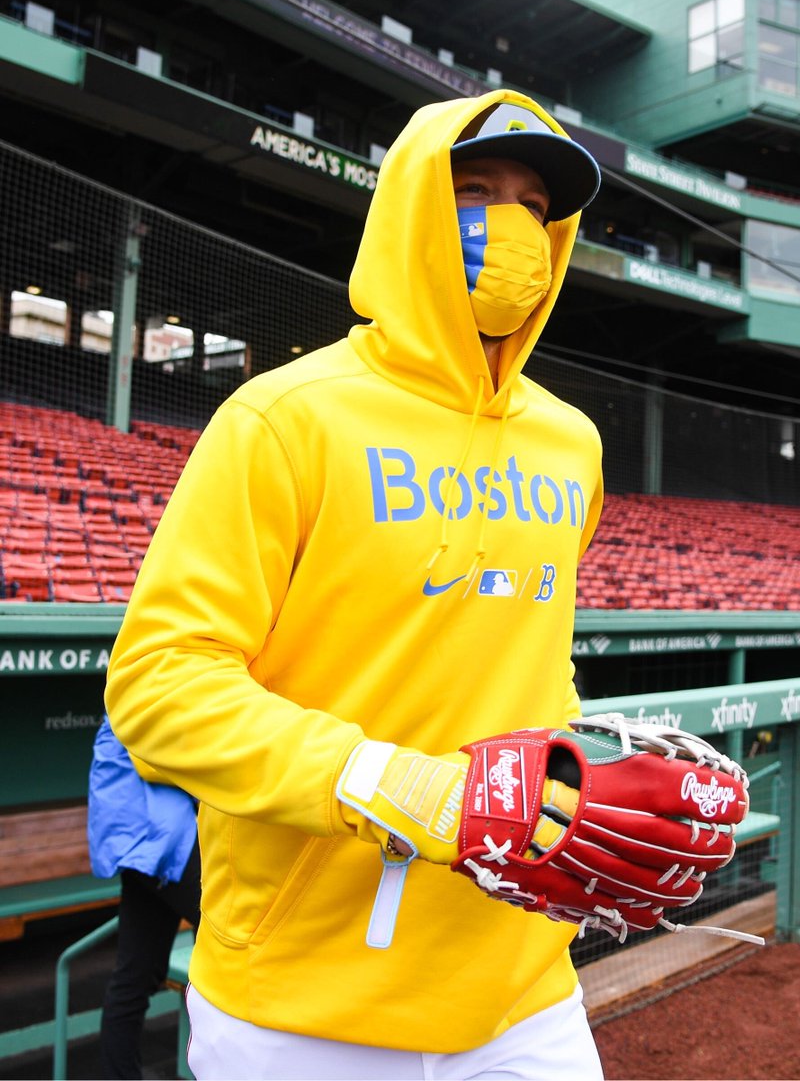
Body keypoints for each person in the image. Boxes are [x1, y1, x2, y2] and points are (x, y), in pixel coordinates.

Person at [105, 90, 607, 1079]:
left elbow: (537, 669)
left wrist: (579, 783)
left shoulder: (572, 442)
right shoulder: (284, 417)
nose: (513, 224)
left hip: (523, 982)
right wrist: (394, 784)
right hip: (302, 998)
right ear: (414, 206)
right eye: (476, 191)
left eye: (533, 203)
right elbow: (159, 684)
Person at [87, 715, 201, 1079]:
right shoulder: (143, 694)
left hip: (147, 844)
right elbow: (163, 761)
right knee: (224, 932)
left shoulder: (138, 690)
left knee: (133, 977)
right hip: (157, 840)